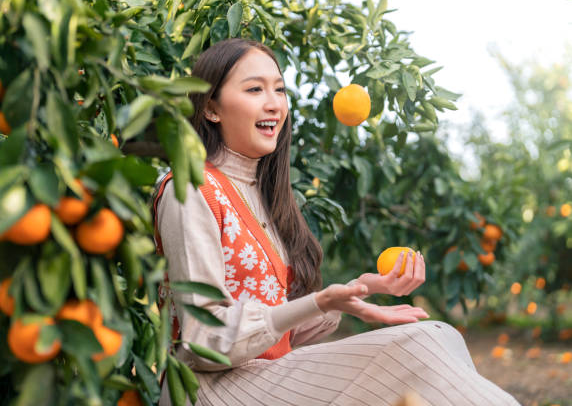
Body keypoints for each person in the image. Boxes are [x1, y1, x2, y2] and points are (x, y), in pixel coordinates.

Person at [153, 38, 520, 406]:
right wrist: (320, 300)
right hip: (209, 389)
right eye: (254, 89)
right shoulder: (191, 190)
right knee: (418, 346)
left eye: (279, 90)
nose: (274, 103)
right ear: (211, 108)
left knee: (442, 337)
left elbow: (278, 333)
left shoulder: (260, 194)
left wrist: (352, 293)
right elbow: (205, 341)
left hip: (263, 376)